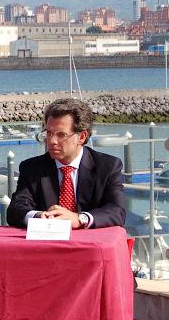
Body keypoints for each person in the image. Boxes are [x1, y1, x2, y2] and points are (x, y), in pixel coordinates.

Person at [7, 97, 126, 229]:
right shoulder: (32, 168)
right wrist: (37, 216)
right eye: (49, 133)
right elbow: (15, 210)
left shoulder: (107, 166)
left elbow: (117, 211)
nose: (52, 141)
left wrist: (80, 219)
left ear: (81, 137)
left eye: (61, 135)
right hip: (47, 244)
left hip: (90, 244)